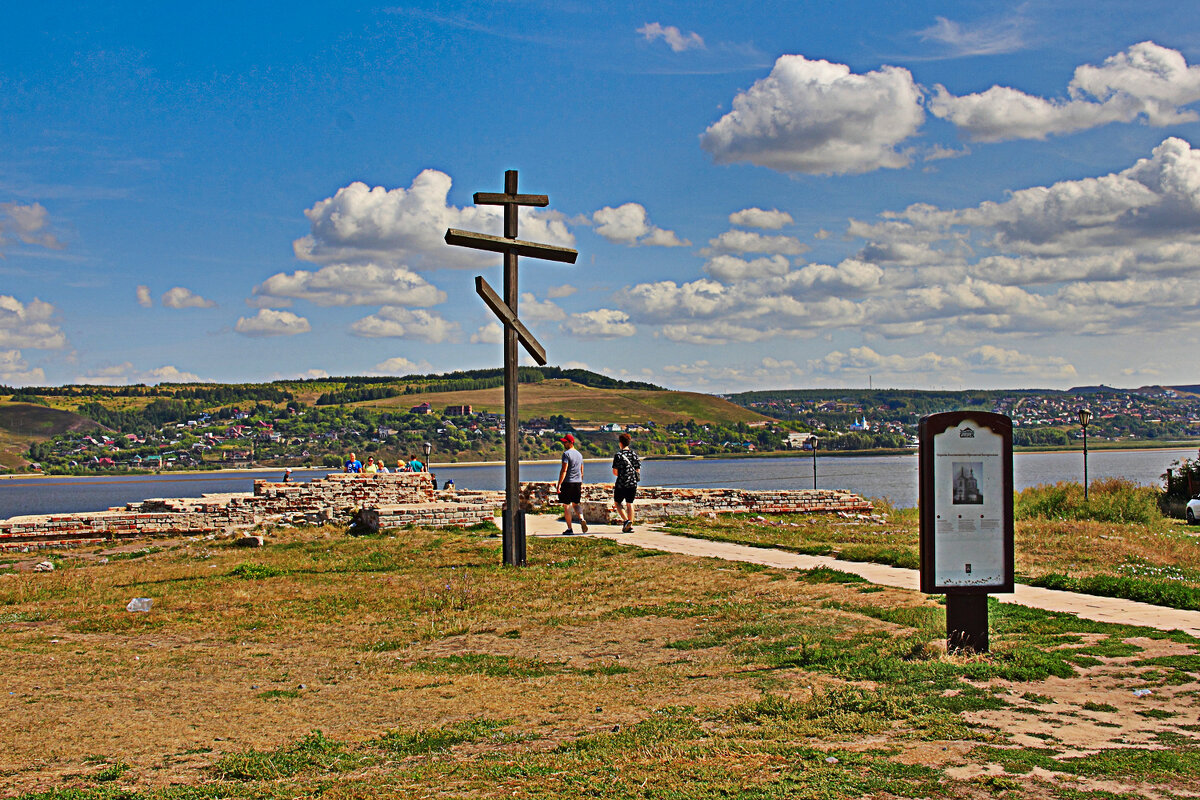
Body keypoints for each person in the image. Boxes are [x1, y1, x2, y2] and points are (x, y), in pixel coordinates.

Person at [555, 434, 587, 534]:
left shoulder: (566, 454)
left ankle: (569, 529)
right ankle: (581, 518)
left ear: (570, 443)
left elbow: (564, 470)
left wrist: (559, 484)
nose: (564, 443)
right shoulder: (579, 455)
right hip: (577, 482)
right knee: (576, 504)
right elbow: (581, 471)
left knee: (566, 505)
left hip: (568, 482)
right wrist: (580, 482)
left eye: (565, 442)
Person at [611, 432, 641, 533]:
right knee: (630, 503)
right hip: (632, 483)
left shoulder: (618, 455)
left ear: (620, 443)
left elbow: (615, 472)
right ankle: (630, 525)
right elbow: (638, 470)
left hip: (621, 483)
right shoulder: (634, 454)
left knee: (617, 502)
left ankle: (626, 520)